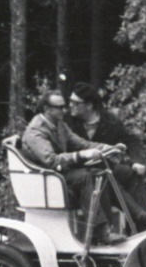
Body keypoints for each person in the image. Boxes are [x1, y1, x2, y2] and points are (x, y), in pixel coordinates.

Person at [21, 90, 125, 242]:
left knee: (99, 173)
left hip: (58, 176)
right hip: (46, 179)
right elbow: (51, 160)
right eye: (60, 107)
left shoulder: (59, 125)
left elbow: (82, 143)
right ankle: (103, 233)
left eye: (64, 106)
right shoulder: (35, 130)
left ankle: (105, 230)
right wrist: (81, 155)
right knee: (85, 177)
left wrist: (109, 147)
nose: (65, 110)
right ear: (46, 109)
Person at [68, 83, 146, 231]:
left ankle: (143, 224)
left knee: (129, 173)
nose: (70, 106)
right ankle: (137, 218)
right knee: (104, 177)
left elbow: (131, 140)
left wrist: (138, 161)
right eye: (70, 101)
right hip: (80, 176)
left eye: (75, 103)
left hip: (103, 170)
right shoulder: (67, 122)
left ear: (89, 105)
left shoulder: (110, 121)